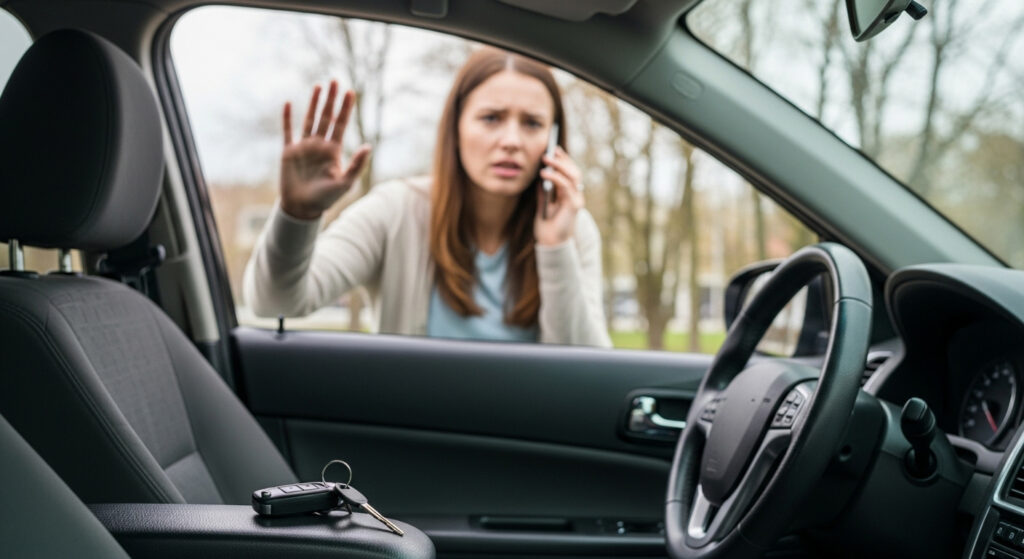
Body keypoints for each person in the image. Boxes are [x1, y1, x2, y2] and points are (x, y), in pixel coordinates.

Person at [243, 48, 611, 347]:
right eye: (492, 118)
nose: (512, 140)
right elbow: (275, 302)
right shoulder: (397, 209)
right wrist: (298, 214)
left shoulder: (573, 228)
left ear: (553, 139)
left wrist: (555, 246)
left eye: (532, 123)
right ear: (455, 128)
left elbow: (588, 368)